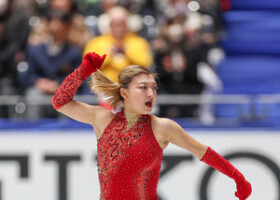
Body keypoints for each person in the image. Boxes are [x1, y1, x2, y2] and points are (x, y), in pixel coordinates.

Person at [51, 52, 252, 200]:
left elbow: (202, 151)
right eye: (143, 88)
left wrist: (237, 177)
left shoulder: (162, 127)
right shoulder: (102, 119)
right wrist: (83, 71)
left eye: (154, 88)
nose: (151, 94)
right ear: (124, 93)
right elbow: (59, 102)